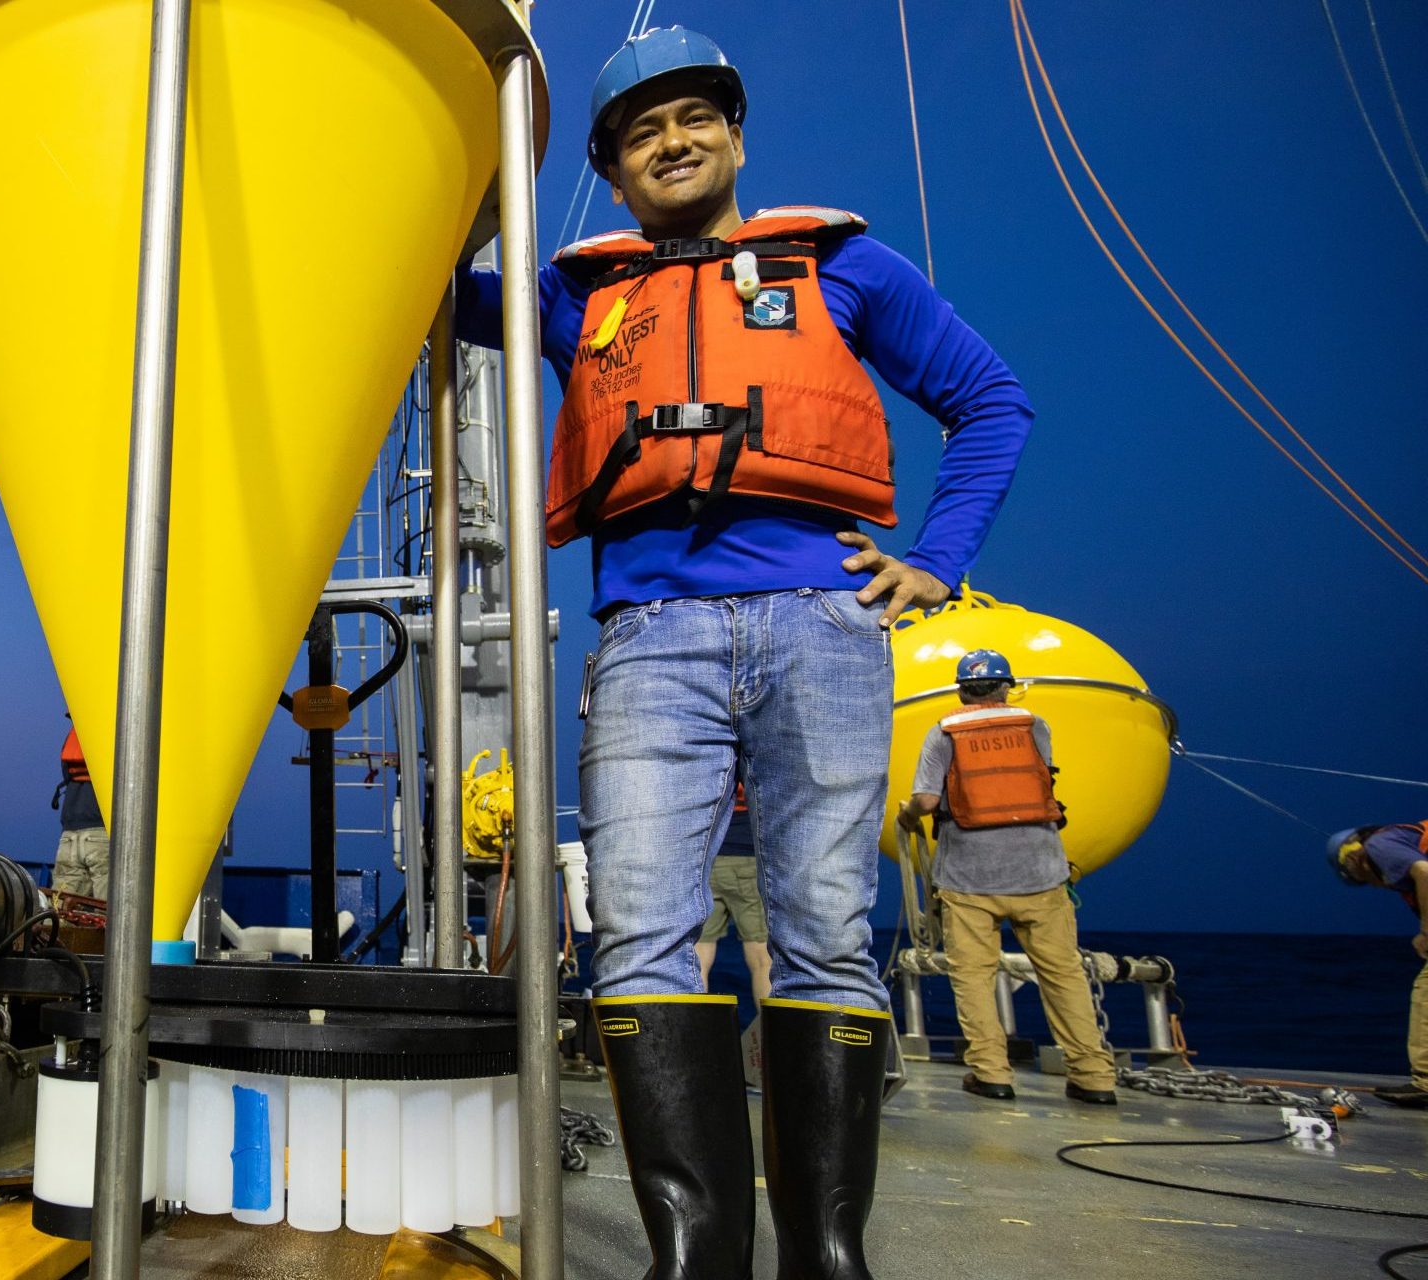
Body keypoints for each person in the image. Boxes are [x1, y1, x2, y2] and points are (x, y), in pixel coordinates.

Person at [456, 25, 1035, 1279]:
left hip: (822, 625)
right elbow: (428, 290)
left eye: (692, 119)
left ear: (732, 135)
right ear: (610, 171)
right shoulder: (576, 294)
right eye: (639, 132)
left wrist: (935, 558)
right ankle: (693, 1251)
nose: (671, 142)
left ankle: (827, 1251)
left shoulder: (848, 268)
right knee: (644, 925)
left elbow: (991, 399)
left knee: (825, 924)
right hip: (650, 636)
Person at [897, 650, 1116, 1106]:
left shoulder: (943, 733)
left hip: (968, 878)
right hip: (1041, 872)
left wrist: (907, 816)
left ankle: (992, 1074)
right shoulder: (1035, 726)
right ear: (1006, 686)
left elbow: (925, 798)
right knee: (1064, 975)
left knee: (973, 979)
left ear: (961, 689)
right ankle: (1094, 1078)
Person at [1327, 821, 1428, 1108]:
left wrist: (1426, 932)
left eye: (1362, 879)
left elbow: (1424, 873)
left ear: (1352, 859)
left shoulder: (1379, 845)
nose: (1378, 883)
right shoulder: (1403, 841)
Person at [696, 783, 771, 999]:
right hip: (748, 857)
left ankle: (692, 1030)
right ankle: (768, 1030)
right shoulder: (753, 754)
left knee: (698, 956)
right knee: (761, 959)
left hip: (707, 859)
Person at [49, 719, 109, 901]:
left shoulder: (77, 733)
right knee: (110, 914)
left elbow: (67, 774)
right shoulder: (120, 732)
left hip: (69, 835)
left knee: (61, 912)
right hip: (101, 832)